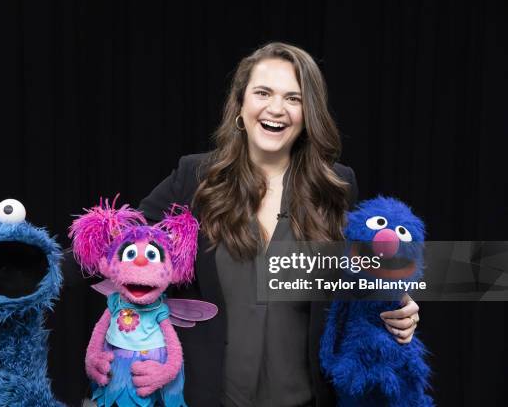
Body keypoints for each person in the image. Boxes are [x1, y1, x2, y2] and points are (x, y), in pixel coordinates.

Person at [139, 42, 420, 407]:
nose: (276, 109)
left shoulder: (337, 186)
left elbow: (358, 278)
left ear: (308, 113)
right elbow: (116, 249)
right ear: (240, 104)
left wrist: (398, 304)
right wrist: (39, 263)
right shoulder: (195, 177)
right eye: (263, 93)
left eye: (293, 98)